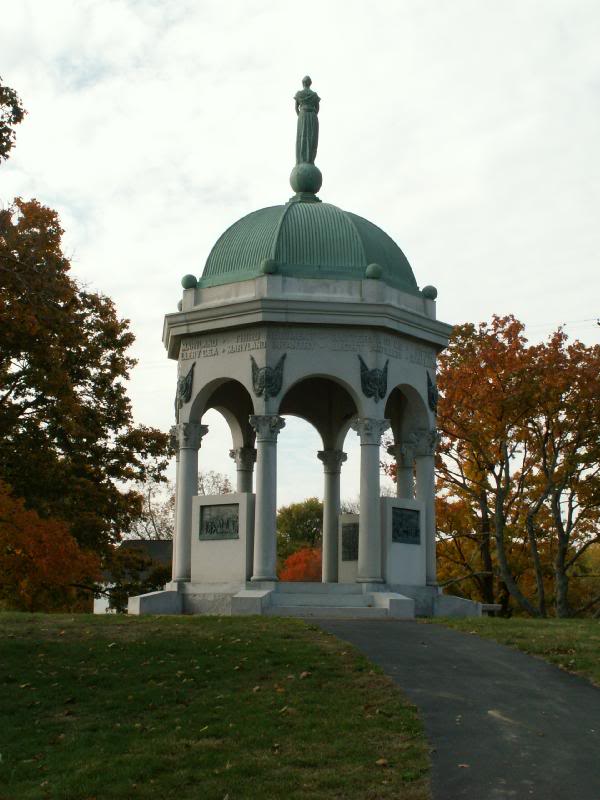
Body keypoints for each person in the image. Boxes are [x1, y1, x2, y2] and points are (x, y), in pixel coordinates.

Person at [294, 76, 320, 165]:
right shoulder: (314, 95)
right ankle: (310, 160)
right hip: (312, 116)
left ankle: (301, 160)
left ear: (303, 83)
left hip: (303, 115)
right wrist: (312, 113)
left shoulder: (299, 94)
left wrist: (301, 115)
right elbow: (317, 108)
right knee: (312, 138)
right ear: (310, 83)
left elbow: (296, 108)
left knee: (302, 138)